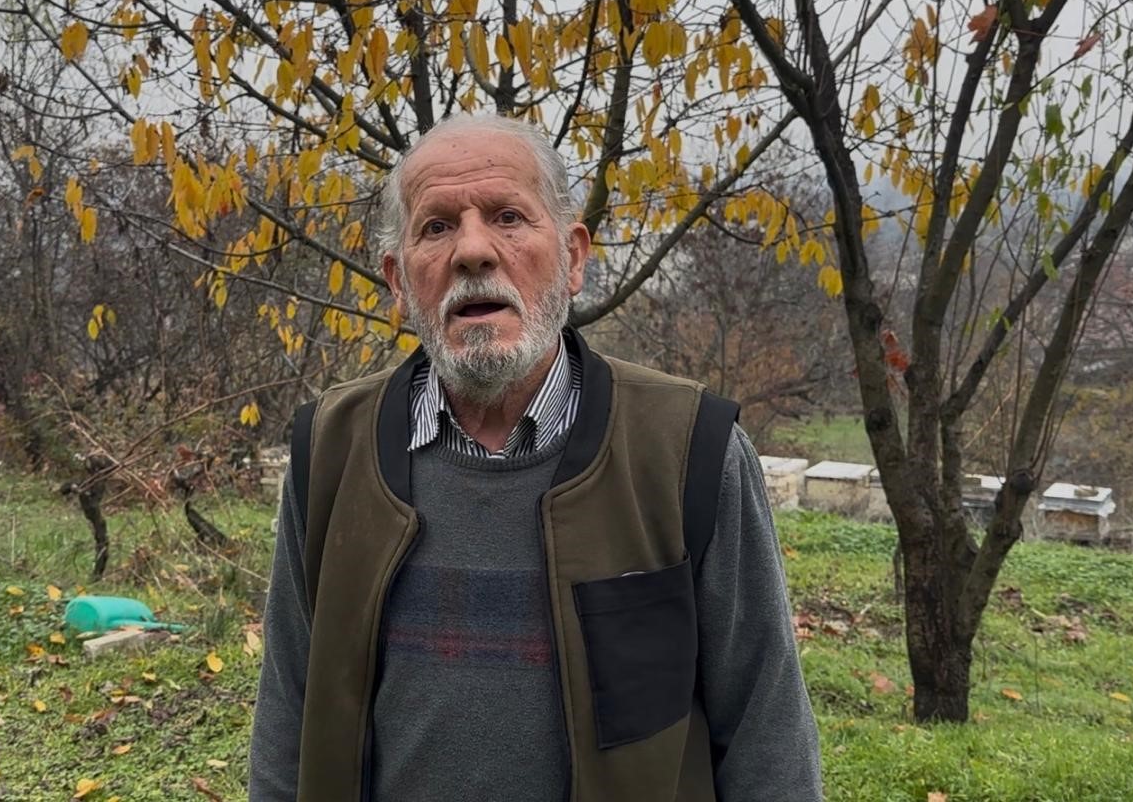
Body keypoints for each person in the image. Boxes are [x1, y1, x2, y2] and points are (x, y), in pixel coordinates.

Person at [248, 113, 822, 801]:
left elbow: (766, 730)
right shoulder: (330, 449)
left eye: (509, 217)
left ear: (573, 258)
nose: (473, 251)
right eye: (436, 227)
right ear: (399, 282)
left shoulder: (689, 448)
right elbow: (288, 712)